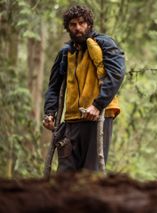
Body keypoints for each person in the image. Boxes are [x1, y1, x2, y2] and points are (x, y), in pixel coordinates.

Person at [43, 5, 125, 172]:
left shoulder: (104, 44)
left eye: (82, 23)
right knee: (64, 175)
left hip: (98, 116)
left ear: (89, 24)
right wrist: (50, 113)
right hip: (72, 120)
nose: (78, 28)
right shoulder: (66, 52)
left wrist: (98, 104)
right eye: (73, 24)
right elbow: (54, 86)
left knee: (91, 173)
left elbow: (116, 74)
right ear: (68, 28)